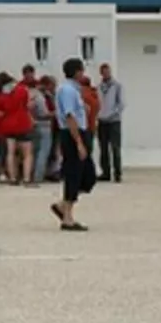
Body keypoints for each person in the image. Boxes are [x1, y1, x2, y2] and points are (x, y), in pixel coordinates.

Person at [52, 57, 92, 231]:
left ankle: (63, 205)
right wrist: (79, 142)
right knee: (74, 173)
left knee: (88, 175)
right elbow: (69, 116)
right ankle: (67, 217)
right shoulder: (67, 90)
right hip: (72, 133)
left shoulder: (74, 90)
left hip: (78, 131)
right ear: (77, 72)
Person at [0, 70, 36, 185]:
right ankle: (26, 179)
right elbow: (29, 105)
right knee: (27, 154)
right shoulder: (22, 89)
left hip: (7, 126)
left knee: (10, 153)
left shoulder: (1, 95)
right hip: (23, 124)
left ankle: (12, 178)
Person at [97, 62, 125, 184]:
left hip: (114, 121)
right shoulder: (99, 87)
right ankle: (105, 172)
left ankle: (117, 173)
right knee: (103, 148)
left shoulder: (117, 86)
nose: (106, 74)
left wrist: (113, 113)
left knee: (115, 148)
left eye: (108, 71)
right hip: (102, 121)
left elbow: (122, 103)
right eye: (104, 72)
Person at [30, 70, 56, 185]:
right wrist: (55, 113)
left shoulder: (32, 94)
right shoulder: (40, 97)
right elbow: (44, 113)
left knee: (35, 151)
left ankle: (33, 175)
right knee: (43, 152)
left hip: (34, 125)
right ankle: (38, 176)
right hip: (44, 125)